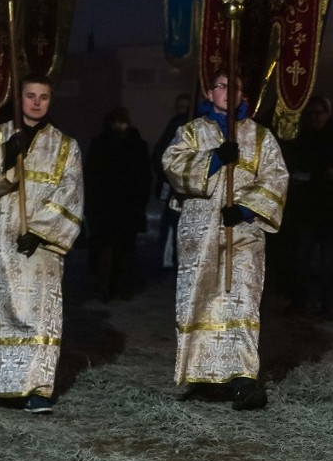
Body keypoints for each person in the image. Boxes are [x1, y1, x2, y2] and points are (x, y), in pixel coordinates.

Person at [161, 70, 288, 410]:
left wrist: (247, 209)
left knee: (242, 300)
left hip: (243, 235)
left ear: (244, 94)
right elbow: (172, 165)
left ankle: (244, 379)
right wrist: (214, 158)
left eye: (234, 86)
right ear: (209, 91)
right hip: (200, 232)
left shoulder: (260, 137)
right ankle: (203, 377)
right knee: (202, 301)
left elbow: (276, 177)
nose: (227, 92)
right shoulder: (190, 132)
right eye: (221, 86)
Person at [0, 74, 83, 413]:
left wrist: (42, 232)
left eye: (43, 97)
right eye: (30, 95)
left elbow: (70, 193)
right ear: (19, 97)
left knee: (39, 315)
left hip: (38, 244)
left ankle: (37, 390)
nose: (36, 103)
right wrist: (5, 155)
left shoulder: (65, 146)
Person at [284, 95, 333, 319]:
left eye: (319, 113)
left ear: (327, 114)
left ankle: (328, 304)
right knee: (301, 258)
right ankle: (301, 300)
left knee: (328, 260)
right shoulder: (301, 138)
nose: (315, 118)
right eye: (311, 114)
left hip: (330, 209)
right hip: (306, 207)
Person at [84, 106, 151, 301]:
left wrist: (139, 203)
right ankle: (108, 288)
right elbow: (91, 176)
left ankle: (119, 288)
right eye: (117, 122)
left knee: (123, 250)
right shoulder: (102, 144)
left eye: (122, 123)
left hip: (124, 206)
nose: (119, 126)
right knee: (107, 249)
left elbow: (144, 178)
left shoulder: (136, 145)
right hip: (107, 206)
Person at [151, 93, 192, 268]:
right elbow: (162, 155)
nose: (180, 110)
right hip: (174, 189)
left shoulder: (187, 124)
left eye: (184, 107)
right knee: (172, 227)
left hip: (186, 189)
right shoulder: (176, 124)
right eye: (179, 107)